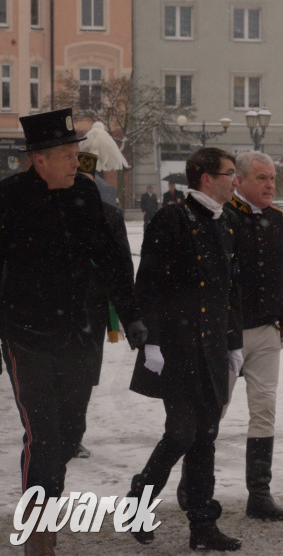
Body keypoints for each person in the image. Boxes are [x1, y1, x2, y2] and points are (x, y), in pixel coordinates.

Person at [0, 108, 145, 556]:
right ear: (39, 159)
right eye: (66, 155)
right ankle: (39, 540)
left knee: (68, 433)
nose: (74, 163)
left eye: (75, 154)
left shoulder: (85, 193)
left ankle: (47, 506)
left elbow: (114, 261)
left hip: (80, 335)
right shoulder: (8, 199)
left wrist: (131, 315)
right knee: (42, 436)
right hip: (26, 335)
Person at [126, 146, 243, 551]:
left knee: (205, 437)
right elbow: (149, 284)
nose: (235, 180)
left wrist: (234, 342)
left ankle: (203, 525)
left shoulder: (228, 221)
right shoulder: (172, 218)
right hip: (177, 347)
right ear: (206, 178)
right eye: (229, 173)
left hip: (213, 347)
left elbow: (230, 289)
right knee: (180, 434)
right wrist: (152, 342)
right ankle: (139, 500)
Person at [222, 151, 283, 522]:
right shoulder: (223, 219)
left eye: (272, 178)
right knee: (214, 412)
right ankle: (195, 490)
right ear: (238, 180)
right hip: (226, 334)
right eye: (261, 178)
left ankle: (259, 493)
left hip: (267, 332)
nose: (270, 185)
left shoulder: (280, 222)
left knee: (264, 410)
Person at [72, 125, 135, 461]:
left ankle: (72, 434)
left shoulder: (108, 208)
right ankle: (45, 434)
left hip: (92, 306)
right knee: (52, 375)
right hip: (54, 306)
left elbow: (121, 265)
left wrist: (130, 313)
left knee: (83, 375)